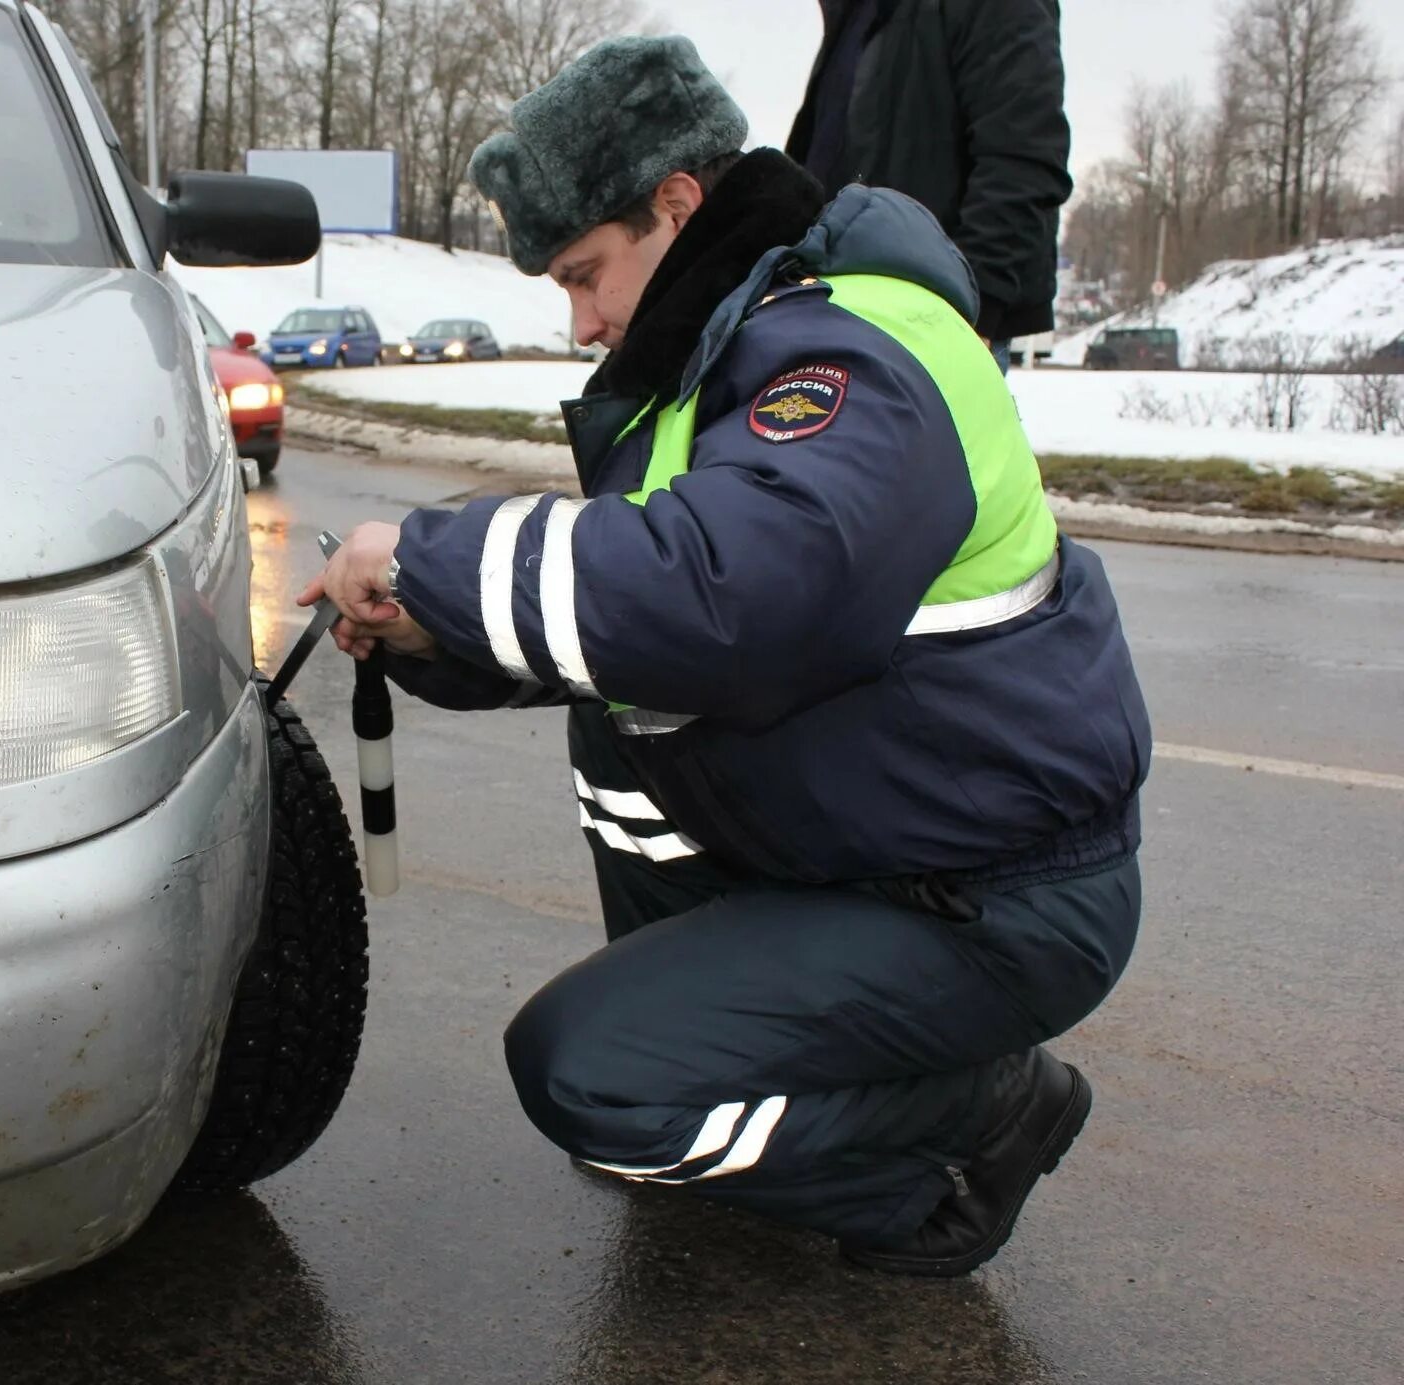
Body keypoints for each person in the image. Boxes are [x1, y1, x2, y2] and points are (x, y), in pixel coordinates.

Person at [298, 35, 1150, 1277]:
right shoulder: (721, 362)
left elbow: (727, 599)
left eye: (586, 273)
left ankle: (971, 1125)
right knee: (618, 721)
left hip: (995, 892)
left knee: (588, 1079)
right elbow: (629, 618)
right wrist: (430, 629)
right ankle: (708, 1061)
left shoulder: (852, 347)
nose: (581, 320)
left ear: (677, 202)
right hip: (878, 847)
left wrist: (430, 559)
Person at [786, 0, 1071, 371]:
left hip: (933, 323)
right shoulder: (860, 14)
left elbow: (1023, 156)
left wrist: (975, 309)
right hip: (831, 310)